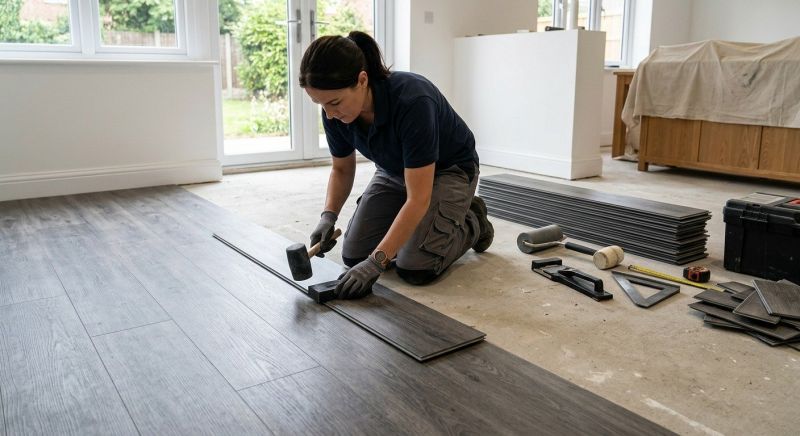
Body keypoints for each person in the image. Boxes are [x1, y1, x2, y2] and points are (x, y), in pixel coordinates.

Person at [299, 30, 494, 299]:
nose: (329, 114)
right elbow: (342, 169)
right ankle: (425, 224)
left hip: (449, 171)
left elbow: (418, 198)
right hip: (394, 170)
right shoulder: (333, 113)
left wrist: (377, 261)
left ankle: (473, 220)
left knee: (415, 266)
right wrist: (328, 216)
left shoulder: (413, 101)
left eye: (334, 102)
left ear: (362, 80)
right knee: (354, 256)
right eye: (319, 104)